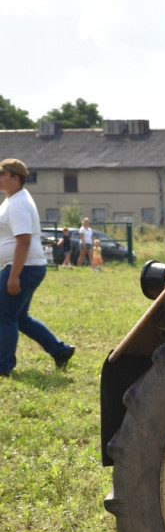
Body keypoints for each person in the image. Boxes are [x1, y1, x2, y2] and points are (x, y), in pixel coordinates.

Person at [0, 158, 75, 377]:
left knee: (4, 316)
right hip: (26, 266)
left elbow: (23, 240)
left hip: (23, 267)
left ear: (15, 177)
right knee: (19, 317)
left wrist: (14, 277)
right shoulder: (13, 200)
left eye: (2, 174)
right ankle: (60, 350)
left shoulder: (18, 204)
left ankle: (3, 367)